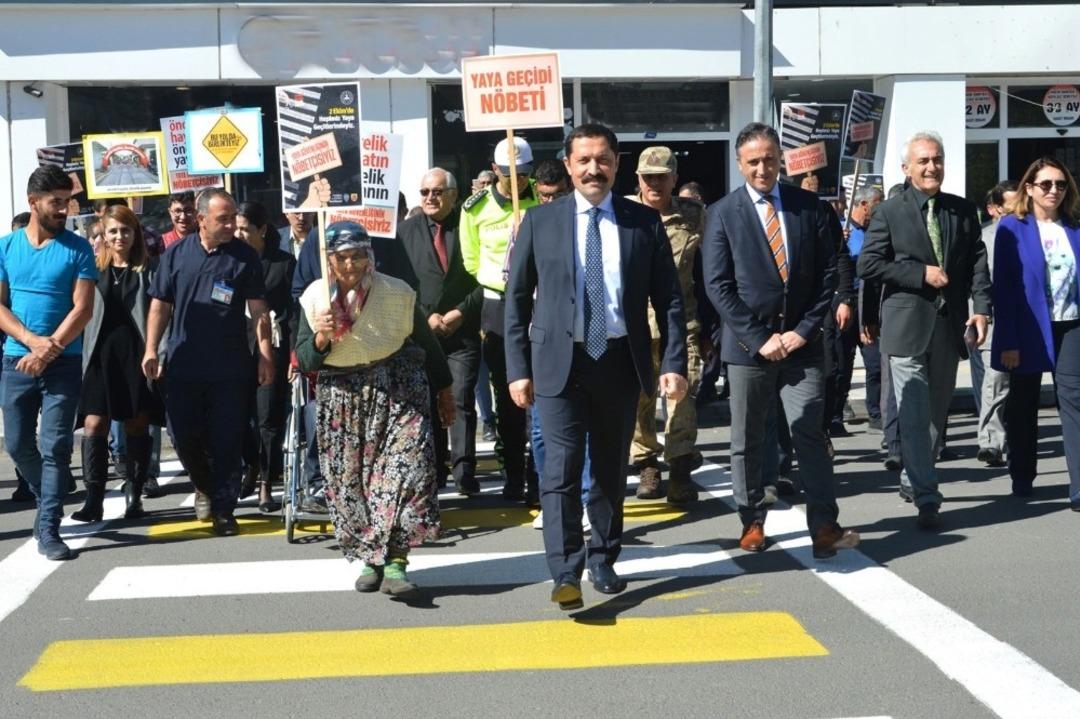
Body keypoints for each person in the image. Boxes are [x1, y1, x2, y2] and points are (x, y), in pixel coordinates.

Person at [505, 123, 689, 610]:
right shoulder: (540, 222)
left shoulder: (642, 222)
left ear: (616, 164)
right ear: (568, 165)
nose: (593, 169)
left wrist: (674, 362)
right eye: (583, 160)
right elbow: (516, 299)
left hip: (618, 362)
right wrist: (517, 368)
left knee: (609, 468)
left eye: (602, 159)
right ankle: (565, 570)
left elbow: (669, 299)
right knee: (561, 469)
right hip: (558, 365)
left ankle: (604, 557)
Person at [701, 122, 860, 559]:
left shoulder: (809, 207)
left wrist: (803, 330)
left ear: (780, 160)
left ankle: (824, 524)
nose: (762, 169)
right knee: (748, 437)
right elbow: (718, 285)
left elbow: (828, 273)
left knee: (810, 431)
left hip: (801, 346)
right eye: (753, 161)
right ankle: (752, 519)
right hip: (749, 349)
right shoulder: (722, 213)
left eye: (769, 159)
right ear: (740, 164)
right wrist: (759, 338)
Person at [296, 221, 454, 598]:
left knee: (405, 473)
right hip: (343, 397)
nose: (350, 265)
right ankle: (372, 559)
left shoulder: (397, 292)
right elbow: (304, 359)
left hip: (398, 388)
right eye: (342, 258)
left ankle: (396, 560)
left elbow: (427, 343)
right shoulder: (316, 297)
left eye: (357, 256)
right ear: (329, 261)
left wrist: (444, 389)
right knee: (354, 483)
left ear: (370, 256)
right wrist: (321, 336)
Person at [857, 131, 991, 529]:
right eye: (923, 161)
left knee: (935, 414)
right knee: (914, 412)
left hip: (948, 328)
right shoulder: (889, 212)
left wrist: (981, 310)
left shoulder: (961, 210)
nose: (932, 167)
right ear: (906, 168)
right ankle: (927, 497)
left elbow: (977, 263)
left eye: (937, 159)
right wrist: (919, 274)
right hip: (905, 328)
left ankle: (912, 476)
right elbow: (869, 265)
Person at [143, 188, 275, 536]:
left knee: (227, 439)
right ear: (201, 220)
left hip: (230, 367)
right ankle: (203, 484)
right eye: (223, 219)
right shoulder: (175, 255)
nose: (232, 225)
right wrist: (151, 348)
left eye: (233, 218)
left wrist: (265, 354)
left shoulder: (244, 256)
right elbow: (160, 305)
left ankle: (223, 509)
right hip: (184, 362)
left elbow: (259, 311)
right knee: (182, 433)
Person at [0, 165, 97, 560]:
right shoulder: (6, 247)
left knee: (54, 446)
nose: (63, 210)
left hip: (62, 362)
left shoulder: (79, 249)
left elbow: (83, 309)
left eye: (67, 202)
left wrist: (49, 348)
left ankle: (49, 528)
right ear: (33, 202)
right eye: (56, 202)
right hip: (16, 361)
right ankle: (49, 493)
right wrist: (31, 343)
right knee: (17, 444)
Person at [992, 158, 1080, 504]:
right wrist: (1008, 341)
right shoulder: (1013, 228)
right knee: (1023, 403)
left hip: (1071, 325)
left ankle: (1078, 487)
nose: (1053, 190)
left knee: (1074, 401)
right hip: (1027, 327)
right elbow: (1005, 289)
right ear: (1029, 188)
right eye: (1046, 184)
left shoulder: (1073, 227)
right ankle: (1023, 475)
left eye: (1060, 184)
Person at [71, 204, 165, 522]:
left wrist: (158, 353)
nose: (120, 236)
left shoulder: (150, 269)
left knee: (136, 423)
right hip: (99, 357)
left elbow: (161, 313)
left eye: (126, 230)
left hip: (138, 355)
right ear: (104, 235)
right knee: (93, 424)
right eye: (113, 231)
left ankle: (134, 496)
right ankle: (93, 499)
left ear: (135, 233)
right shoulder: (92, 270)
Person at [460, 135, 540, 502]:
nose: (518, 180)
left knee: (541, 393)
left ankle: (538, 473)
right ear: (495, 170)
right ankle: (513, 473)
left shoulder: (542, 199)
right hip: (499, 303)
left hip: (539, 302)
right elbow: (471, 261)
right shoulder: (475, 209)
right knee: (508, 395)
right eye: (510, 174)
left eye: (523, 173)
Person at [397, 168, 483, 496]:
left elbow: (484, 275)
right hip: (422, 332)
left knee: (461, 398)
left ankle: (465, 472)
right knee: (429, 401)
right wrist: (424, 317)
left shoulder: (470, 224)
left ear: (454, 195)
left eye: (437, 191)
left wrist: (461, 311)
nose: (430, 198)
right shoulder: (405, 232)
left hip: (462, 329)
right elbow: (398, 283)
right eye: (424, 192)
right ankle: (434, 471)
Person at [627, 146, 704, 504]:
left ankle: (681, 468)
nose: (654, 184)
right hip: (635, 325)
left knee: (682, 399)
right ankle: (647, 465)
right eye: (648, 178)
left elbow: (708, 268)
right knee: (638, 401)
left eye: (661, 177)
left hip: (681, 324)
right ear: (638, 179)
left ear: (675, 178)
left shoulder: (694, 215)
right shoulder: (623, 213)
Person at [236, 201, 296, 513]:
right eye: (236, 228)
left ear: (262, 230)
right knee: (238, 416)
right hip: (236, 348)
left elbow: (294, 313)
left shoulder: (283, 263)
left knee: (268, 417)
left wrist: (295, 353)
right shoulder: (230, 261)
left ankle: (265, 484)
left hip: (272, 349)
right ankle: (252, 464)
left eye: (245, 229)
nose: (238, 234)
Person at [973, 181, 1018, 467]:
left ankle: (1016, 440)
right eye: (1011, 208)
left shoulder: (1034, 234)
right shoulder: (984, 239)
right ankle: (990, 442)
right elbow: (978, 283)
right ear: (994, 209)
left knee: (1018, 386)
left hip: (1026, 321)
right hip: (994, 321)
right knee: (995, 381)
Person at [836, 186, 885, 431]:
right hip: (847, 302)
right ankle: (835, 416)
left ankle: (876, 414)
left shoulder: (876, 231)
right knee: (841, 364)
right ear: (864, 204)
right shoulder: (841, 229)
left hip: (870, 303)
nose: (881, 206)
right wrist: (838, 243)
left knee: (875, 363)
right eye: (878, 202)